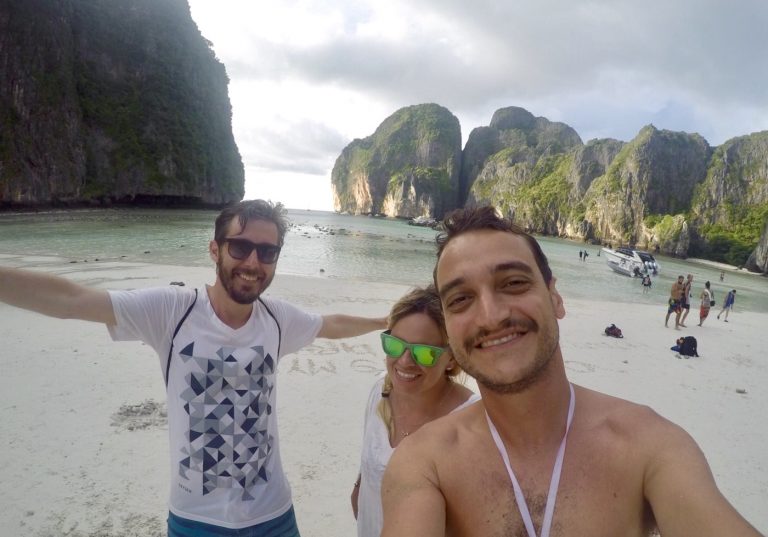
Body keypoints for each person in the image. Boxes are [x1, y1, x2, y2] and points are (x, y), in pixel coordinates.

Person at [0, 199, 387, 537]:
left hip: (273, 515)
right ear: (215, 250)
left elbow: (329, 324)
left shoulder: (277, 319)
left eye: (267, 252)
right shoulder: (173, 311)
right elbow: (72, 300)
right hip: (195, 521)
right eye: (241, 247)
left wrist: (383, 322)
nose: (253, 262)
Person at [380, 205, 761, 537]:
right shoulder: (424, 463)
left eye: (513, 283)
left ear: (555, 297)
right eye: (461, 299)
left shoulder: (649, 447)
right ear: (448, 327)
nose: (492, 316)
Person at [351, 285, 479, 537]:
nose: (405, 362)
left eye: (424, 353)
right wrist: (360, 486)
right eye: (395, 345)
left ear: (451, 359)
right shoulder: (380, 391)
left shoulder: (472, 421)